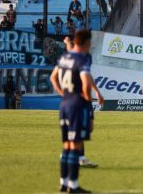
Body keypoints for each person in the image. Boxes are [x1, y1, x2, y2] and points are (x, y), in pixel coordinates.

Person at [50, 30, 94, 193]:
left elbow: (53, 77)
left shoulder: (64, 57)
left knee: (67, 145)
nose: (90, 45)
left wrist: (63, 94)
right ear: (85, 42)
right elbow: (85, 83)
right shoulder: (82, 59)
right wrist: (87, 103)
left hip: (65, 104)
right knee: (75, 145)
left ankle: (64, 182)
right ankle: (74, 186)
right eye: (89, 42)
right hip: (77, 105)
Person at [63, 36, 103, 169]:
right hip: (78, 98)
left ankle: (72, 153)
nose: (90, 44)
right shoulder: (75, 56)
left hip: (86, 97)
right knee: (80, 127)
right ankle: (78, 157)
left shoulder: (87, 57)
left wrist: (96, 91)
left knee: (89, 127)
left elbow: (87, 75)